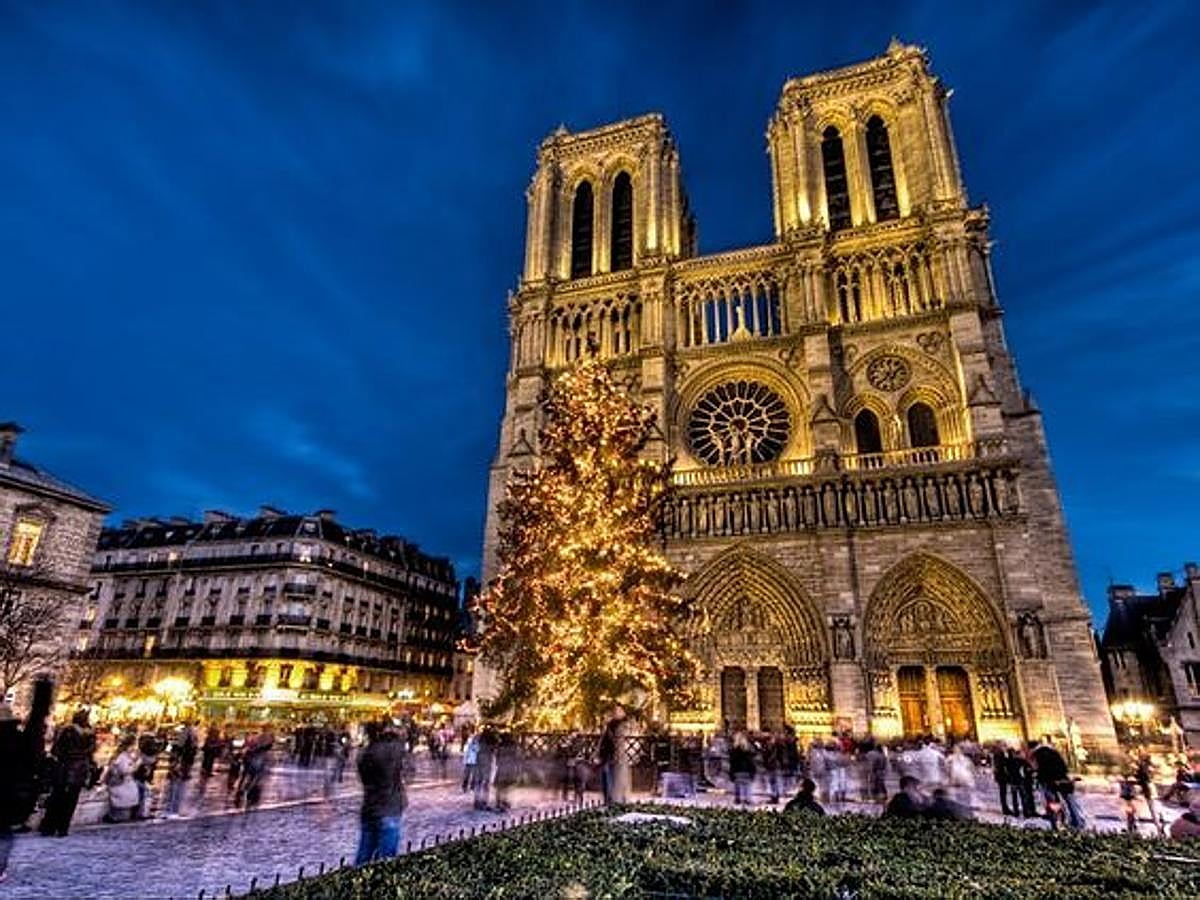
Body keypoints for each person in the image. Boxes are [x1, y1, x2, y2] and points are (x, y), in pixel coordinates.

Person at [0, 679, 53, 883]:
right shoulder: (22, 740)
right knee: (3, 833)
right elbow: (37, 720)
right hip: (11, 796)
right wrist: (42, 694)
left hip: (9, 792)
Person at [355, 723, 407, 865]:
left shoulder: (364, 754)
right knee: (387, 858)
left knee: (363, 855)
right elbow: (400, 750)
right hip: (389, 807)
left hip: (369, 808)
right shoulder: (391, 751)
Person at [39, 708, 96, 837]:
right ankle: (63, 828)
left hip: (64, 768)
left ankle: (49, 827)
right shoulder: (90, 734)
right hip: (80, 770)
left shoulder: (66, 730)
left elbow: (56, 750)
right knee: (71, 800)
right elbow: (91, 752)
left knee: (57, 797)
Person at [1031, 738, 1086, 831]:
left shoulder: (1038, 755)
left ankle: (1057, 823)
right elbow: (1063, 766)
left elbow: (1039, 769)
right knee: (1070, 801)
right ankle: (1077, 821)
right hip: (1062, 779)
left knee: (1053, 803)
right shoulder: (1054, 752)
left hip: (1049, 782)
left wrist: (1039, 776)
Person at [102, 734, 141, 823]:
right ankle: (115, 816)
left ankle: (117, 815)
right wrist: (136, 765)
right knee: (130, 793)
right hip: (120, 783)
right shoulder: (122, 756)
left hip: (121, 782)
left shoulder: (124, 755)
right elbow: (125, 770)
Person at [729, 732, 756, 805]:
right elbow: (751, 762)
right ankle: (748, 799)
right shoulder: (748, 750)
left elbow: (732, 762)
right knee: (747, 786)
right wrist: (753, 770)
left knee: (737, 785)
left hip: (737, 770)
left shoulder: (733, 750)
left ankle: (738, 799)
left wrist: (731, 772)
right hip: (746, 770)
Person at [991, 745, 1012, 815]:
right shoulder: (999, 755)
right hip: (1002, 776)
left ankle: (1005, 808)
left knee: (1003, 793)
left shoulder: (996, 756)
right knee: (1003, 793)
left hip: (1000, 776)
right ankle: (1005, 808)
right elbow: (1003, 764)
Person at [462, 729, 480, 794]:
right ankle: (464, 787)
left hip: (474, 761)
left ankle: (472, 787)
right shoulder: (468, 744)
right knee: (467, 775)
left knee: (474, 776)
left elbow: (477, 750)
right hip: (468, 761)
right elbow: (465, 752)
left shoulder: (476, 745)